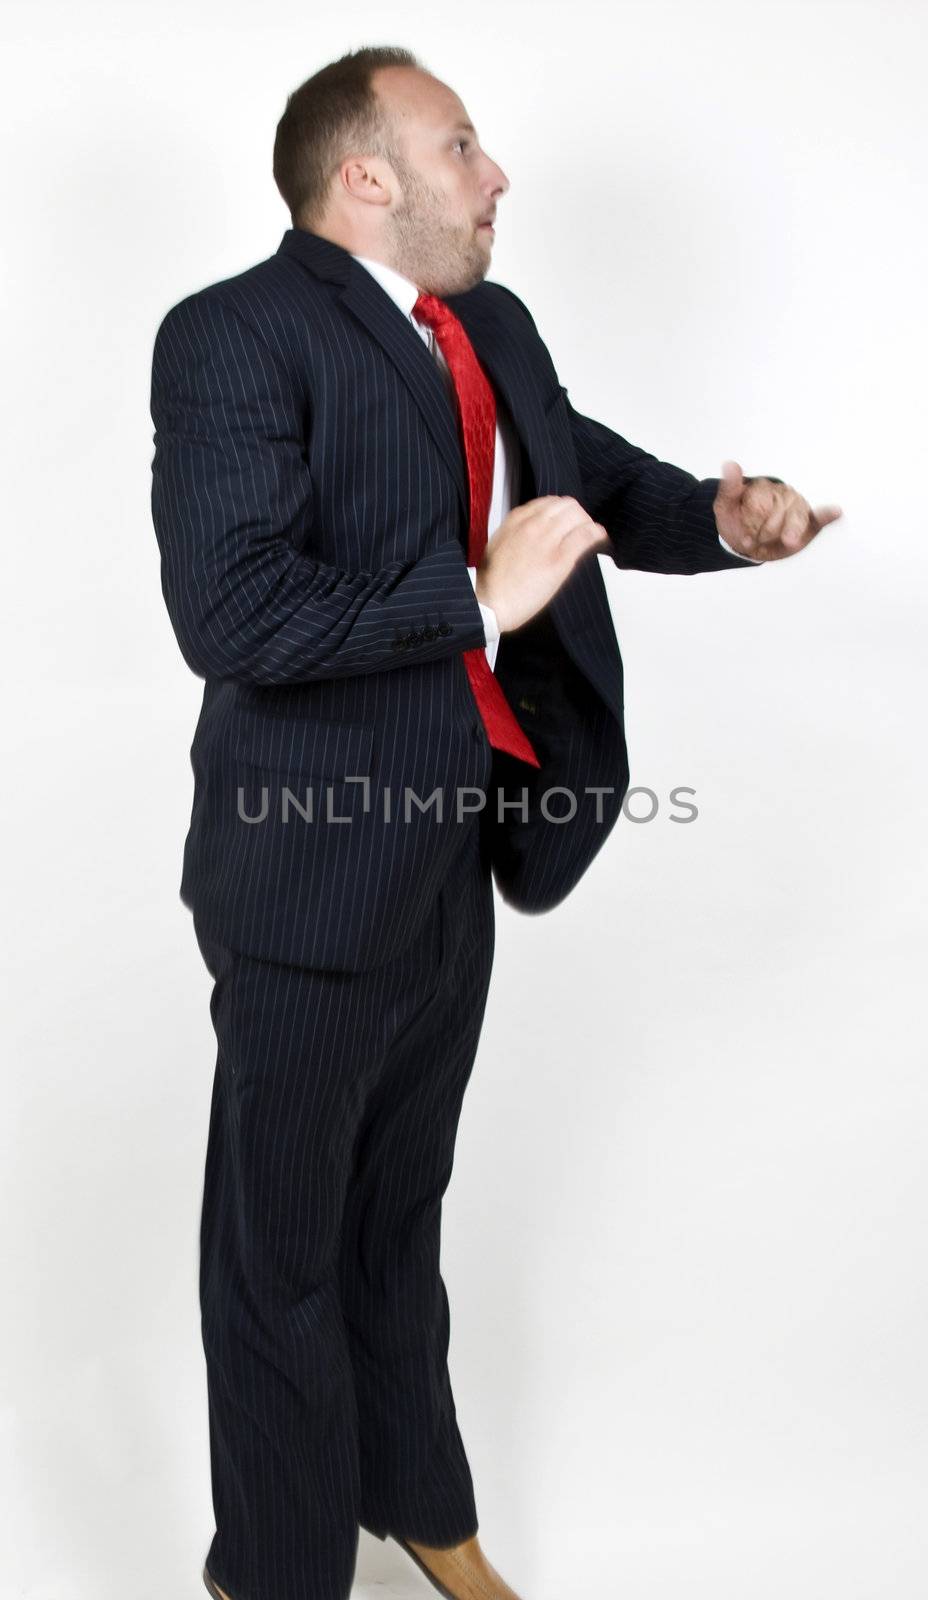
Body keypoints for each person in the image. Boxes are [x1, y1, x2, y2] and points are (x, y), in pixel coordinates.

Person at [148, 43, 842, 1600]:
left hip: (454, 845)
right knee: (281, 1267)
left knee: (399, 1225)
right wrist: (469, 601)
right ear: (367, 177)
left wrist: (723, 523)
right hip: (307, 871)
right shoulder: (234, 336)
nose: (498, 176)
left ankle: (423, 1514)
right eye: (462, 146)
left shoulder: (492, 325)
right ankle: (271, 1577)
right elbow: (231, 607)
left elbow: (575, 475)